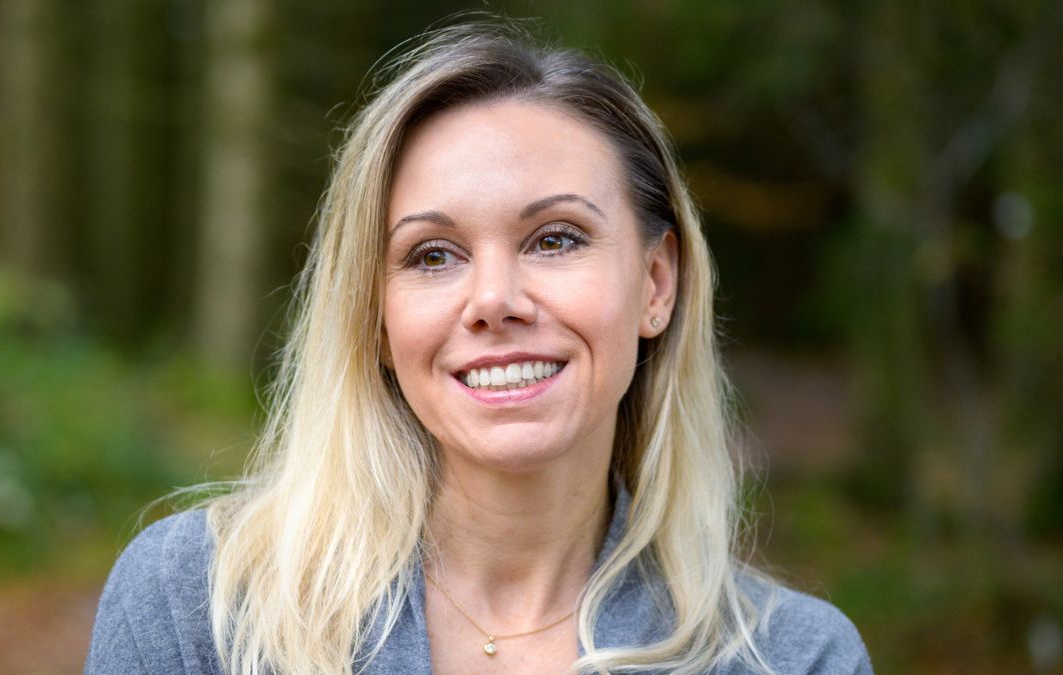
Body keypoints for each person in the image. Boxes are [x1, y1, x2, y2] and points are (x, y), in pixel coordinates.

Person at [85, 20, 872, 675]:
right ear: (376, 317)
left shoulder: (792, 658)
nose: (493, 299)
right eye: (433, 254)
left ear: (656, 283)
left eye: (555, 239)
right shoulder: (201, 605)